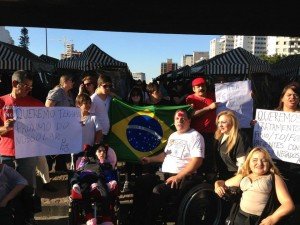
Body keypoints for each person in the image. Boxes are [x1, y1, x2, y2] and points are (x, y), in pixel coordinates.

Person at [132, 109, 205, 225]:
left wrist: (178, 176)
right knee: (141, 181)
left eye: (183, 119)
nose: (180, 121)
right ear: (174, 122)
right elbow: (165, 155)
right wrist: (150, 159)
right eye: (177, 119)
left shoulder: (195, 136)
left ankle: (150, 221)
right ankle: (136, 218)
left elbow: (197, 161)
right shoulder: (173, 136)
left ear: (189, 121)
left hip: (182, 178)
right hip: (164, 174)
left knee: (158, 191)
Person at [0, 70, 44, 225]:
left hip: (28, 152)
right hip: (7, 152)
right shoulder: (2, 102)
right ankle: (7, 216)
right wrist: (6, 127)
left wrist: (76, 126)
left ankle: (28, 216)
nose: (28, 89)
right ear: (14, 83)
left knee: (27, 187)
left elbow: (52, 125)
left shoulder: (36, 104)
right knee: (6, 188)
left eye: (30, 86)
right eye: (25, 85)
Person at [214, 147, 295, 225]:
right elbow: (222, 183)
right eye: (255, 160)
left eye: (264, 160)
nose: (259, 163)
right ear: (249, 162)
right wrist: (217, 186)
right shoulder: (243, 176)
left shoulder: (273, 178)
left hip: (260, 220)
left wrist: (273, 218)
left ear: (269, 163)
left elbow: (288, 204)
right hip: (240, 218)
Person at [70, 144, 118, 225]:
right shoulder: (87, 161)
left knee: (104, 190)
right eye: (99, 151)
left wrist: (111, 182)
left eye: (104, 151)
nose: (102, 153)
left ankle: (106, 218)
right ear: (95, 153)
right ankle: (89, 216)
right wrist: (83, 161)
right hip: (87, 176)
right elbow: (78, 170)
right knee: (84, 187)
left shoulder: (107, 165)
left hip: (99, 178)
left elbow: (111, 175)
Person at [45, 74, 75, 172]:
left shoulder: (67, 93)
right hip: (55, 126)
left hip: (64, 127)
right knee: (51, 149)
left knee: (62, 147)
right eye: (71, 81)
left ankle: (60, 167)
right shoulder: (58, 91)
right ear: (65, 82)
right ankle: (47, 170)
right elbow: (48, 106)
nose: (73, 83)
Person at [215, 110, 251, 180]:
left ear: (232, 123)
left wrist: (236, 180)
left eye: (223, 122)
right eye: (218, 122)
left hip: (234, 176)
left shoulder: (240, 137)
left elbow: (242, 164)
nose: (220, 125)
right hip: (221, 175)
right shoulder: (219, 135)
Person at [74, 93, 103, 168]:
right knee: (76, 169)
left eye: (89, 103)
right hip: (75, 150)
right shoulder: (73, 119)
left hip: (89, 150)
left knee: (88, 168)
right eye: (85, 103)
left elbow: (99, 131)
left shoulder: (94, 117)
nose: (88, 105)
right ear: (78, 104)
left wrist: (95, 145)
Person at [90, 74, 113, 142]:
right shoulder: (93, 99)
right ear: (99, 85)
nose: (108, 88)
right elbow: (90, 116)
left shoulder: (109, 97)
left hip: (108, 133)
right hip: (97, 134)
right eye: (105, 86)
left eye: (110, 86)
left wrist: (114, 95)